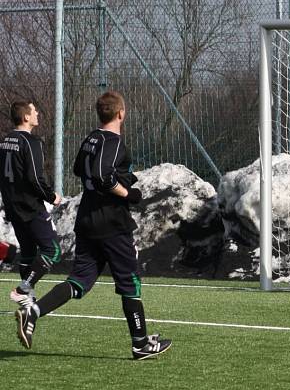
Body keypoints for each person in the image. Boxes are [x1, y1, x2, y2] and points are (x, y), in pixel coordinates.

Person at [15, 91, 172, 360]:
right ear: (121, 113)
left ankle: (34, 311)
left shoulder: (91, 138)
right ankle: (140, 343)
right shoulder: (114, 141)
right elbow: (101, 175)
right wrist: (127, 193)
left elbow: (80, 169)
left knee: (79, 281)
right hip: (111, 222)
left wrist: (120, 176)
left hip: (87, 220)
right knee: (130, 281)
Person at [0, 101, 62, 308]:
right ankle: (23, 288)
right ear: (26, 117)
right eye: (34, 111)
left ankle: (27, 300)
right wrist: (51, 196)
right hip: (29, 206)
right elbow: (35, 177)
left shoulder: (5, 140)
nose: (38, 114)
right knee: (52, 250)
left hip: (12, 206)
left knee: (28, 251)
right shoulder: (30, 142)